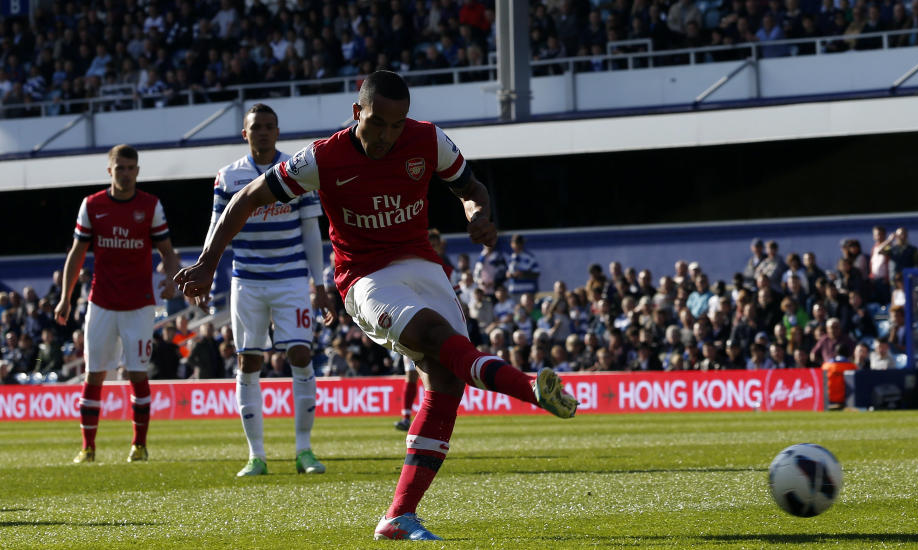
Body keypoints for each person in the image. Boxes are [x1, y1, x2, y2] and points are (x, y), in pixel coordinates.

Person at [174, 70, 578, 541]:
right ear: (356, 113)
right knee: (431, 335)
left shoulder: (428, 140)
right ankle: (530, 389)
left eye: (396, 124)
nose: (387, 135)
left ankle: (399, 516)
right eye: (377, 123)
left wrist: (479, 217)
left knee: (446, 380)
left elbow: (472, 189)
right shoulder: (322, 158)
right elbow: (245, 198)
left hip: (422, 266)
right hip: (363, 277)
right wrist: (207, 263)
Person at [209, 103, 329, 477]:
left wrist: (319, 283)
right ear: (244, 133)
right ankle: (256, 455)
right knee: (248, 361)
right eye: (256, 126)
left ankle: (304, 451)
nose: (263, 131)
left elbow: (311, 230)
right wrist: (207, 274)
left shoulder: (297, 172)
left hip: (292, 280)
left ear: (278, 131)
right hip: (247, 281)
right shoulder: (228, 177)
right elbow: (217, 230)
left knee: (300, 355)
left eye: (269, 126)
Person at [55, 144, 181, 464]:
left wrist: (172, 279)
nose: (125, 173)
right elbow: (77, 254)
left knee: (137, 374)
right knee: (94, 375)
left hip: (139, 305)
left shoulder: (150, 206)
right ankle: (88, 448)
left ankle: (139, 445)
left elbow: (167, 250)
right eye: (119, 168)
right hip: (101, 303)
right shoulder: (92, 205)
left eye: (130, 168)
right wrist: (65, 299)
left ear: (137, 171)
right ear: (109, 170)